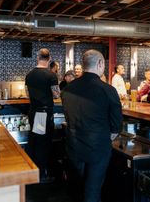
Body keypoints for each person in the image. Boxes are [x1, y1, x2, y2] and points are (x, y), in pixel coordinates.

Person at [61, 49, 122, 202]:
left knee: (77, 189)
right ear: (100, 64)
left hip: (73, 146)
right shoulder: (108, 90)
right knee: (92, 192)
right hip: (97, 148)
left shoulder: (67, 89)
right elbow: (116, 126)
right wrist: (102, 137)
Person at [25, 48, 60, 183]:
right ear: (49, 58)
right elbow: (56, 94)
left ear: (37, 57)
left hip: (33, 111)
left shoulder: (29, 74)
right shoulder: (51, 75)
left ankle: (32, 169)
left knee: (33, 140)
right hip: (44, 113)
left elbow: (28, 94)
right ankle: (41, 174)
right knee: (43, 143)